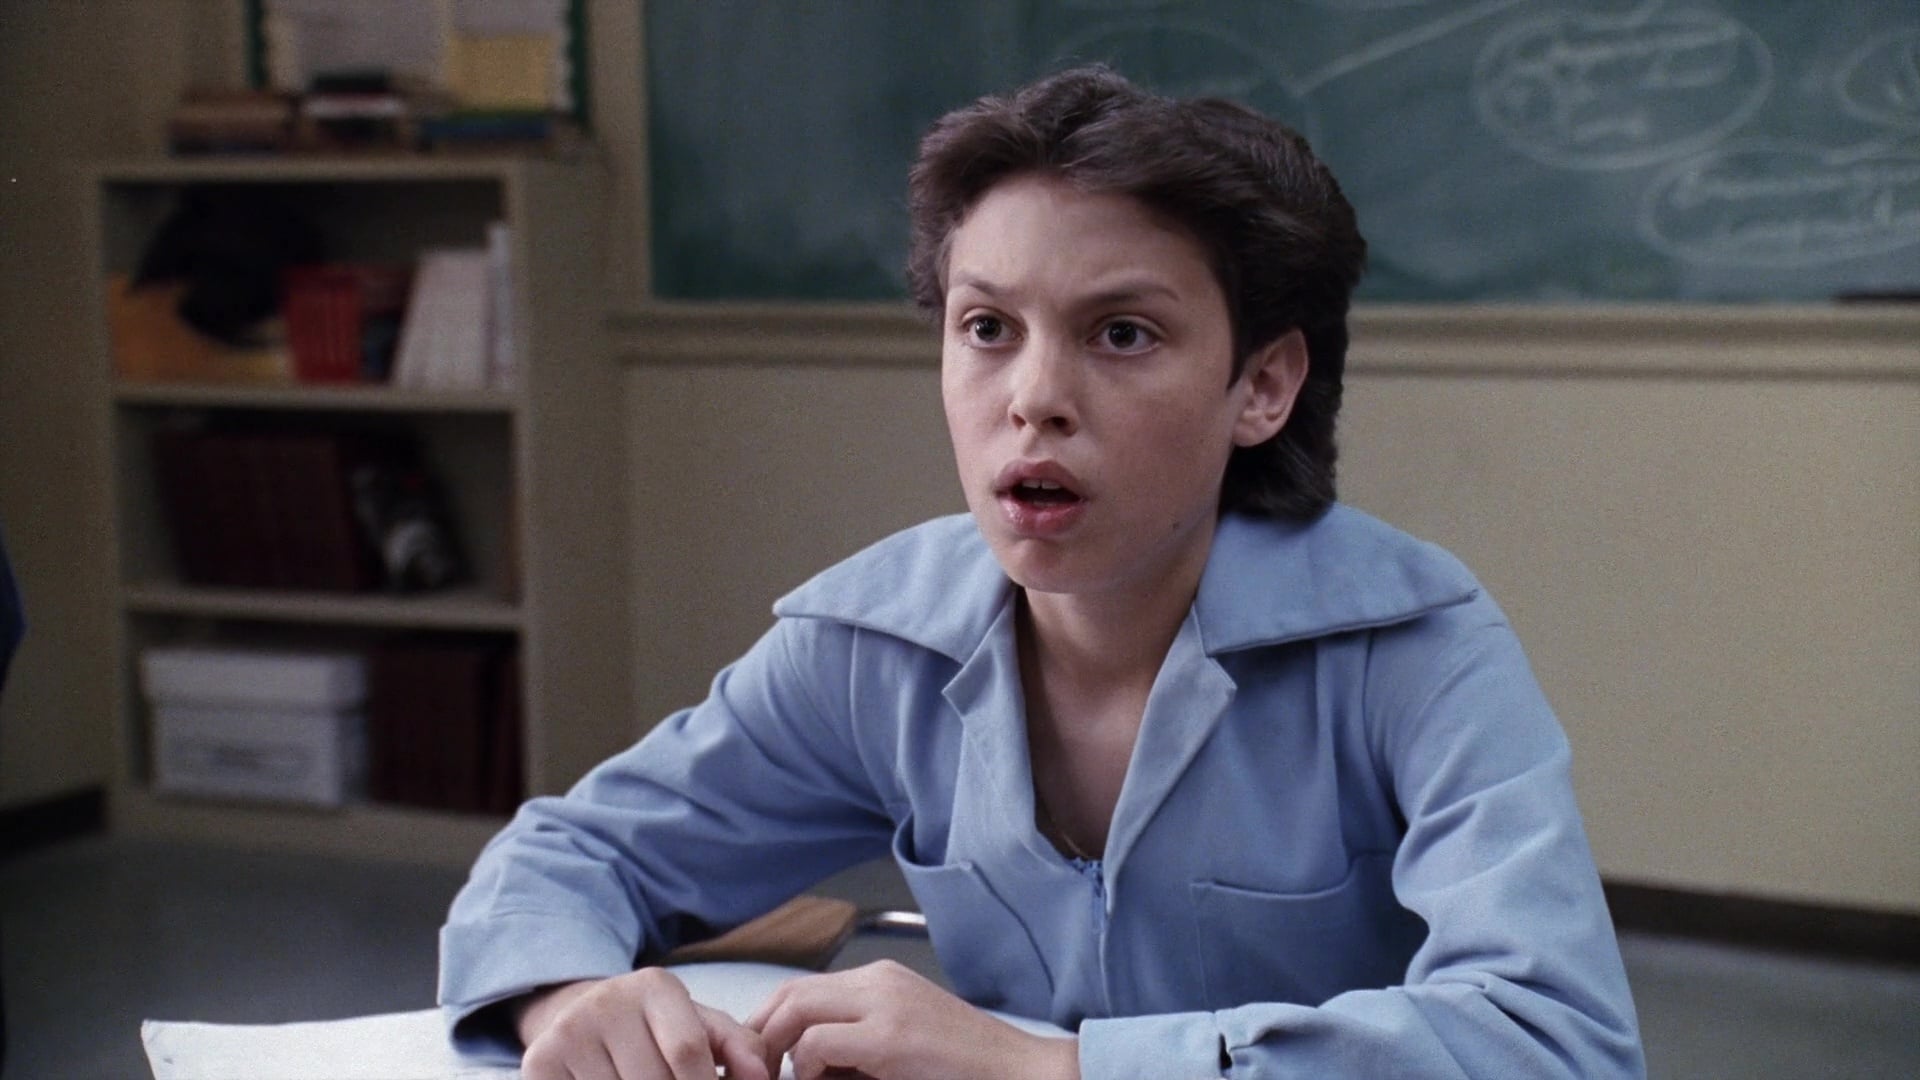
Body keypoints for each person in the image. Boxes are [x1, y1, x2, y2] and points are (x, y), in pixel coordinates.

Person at [439, 64, 1645, 1079]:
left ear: (1263, 385)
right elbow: (567, 858)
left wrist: (1054, 1070)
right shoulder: (875, 644)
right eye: (987, 328)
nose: (1033, 400)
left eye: (1123, 334)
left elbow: (1557, 1043)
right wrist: (567, 996)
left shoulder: (1416, 648)